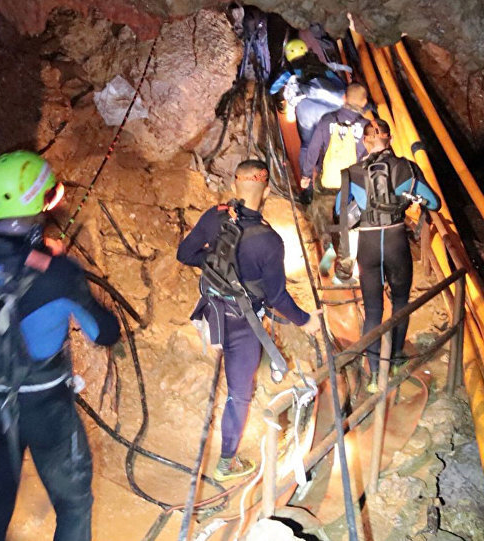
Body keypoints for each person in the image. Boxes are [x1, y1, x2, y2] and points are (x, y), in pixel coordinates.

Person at [0, 150, 120, 541]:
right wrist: (65, 274)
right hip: (48, 410)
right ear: (36, 202)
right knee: (74, 504)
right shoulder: (59, 272)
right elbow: (105, 333)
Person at [177, 159, 322, 481]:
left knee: (234, 375)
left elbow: (185, 254)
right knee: (239, 393)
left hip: (212, 313)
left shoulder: (214, 216)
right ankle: (226, 462)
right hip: (243, 326)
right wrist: (304, 321)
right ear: (267, 191)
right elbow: (276, 296)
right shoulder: (269, 240)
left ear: (233, 186)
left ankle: (228, 456)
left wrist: (216, 266)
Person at [333, 120, 440, 392]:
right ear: (390, 138)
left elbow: (339, 211)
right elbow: (434, 201)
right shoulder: (406, 168)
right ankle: (394, 362)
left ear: (365, 141)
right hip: (395, 242)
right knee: (401, 302)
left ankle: (373, 376)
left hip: (367, 246)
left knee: (372, 310)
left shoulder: (351, 173)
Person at [270, 39, 350, 145]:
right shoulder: (320, 65)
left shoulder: (289, 71)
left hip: (311, 109)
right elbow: (337, 82)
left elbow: (272, 89)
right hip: (334, 102)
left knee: (310, 139)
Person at [299, 83, 370, 191]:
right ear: (364, 102)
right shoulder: (367, 127)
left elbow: (313, 149)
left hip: (327, 179)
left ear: (344, 98)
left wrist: (306, 175)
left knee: (321, 204)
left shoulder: (327, 119)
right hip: (351, 185)